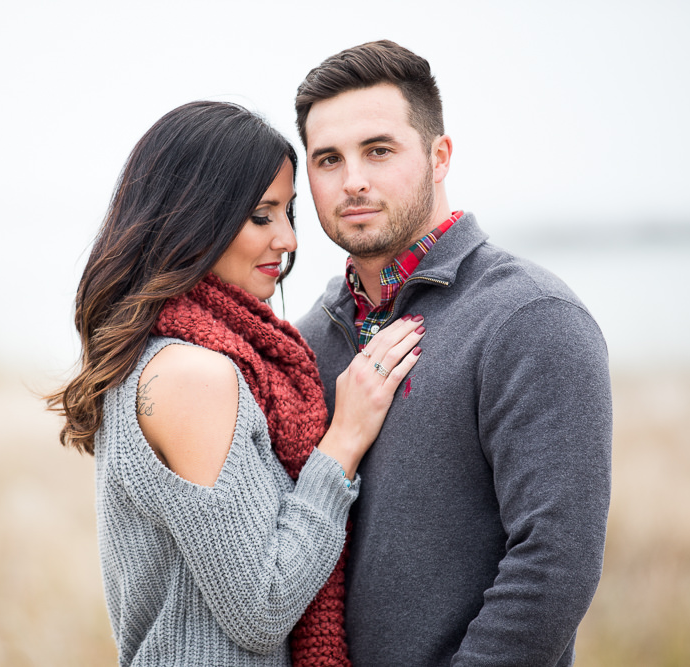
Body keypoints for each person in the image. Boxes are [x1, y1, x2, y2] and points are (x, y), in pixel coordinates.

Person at [47, 100, 426, 666]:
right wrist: (343, 440)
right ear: (193, 220)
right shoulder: (191, 375)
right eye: (261, 216)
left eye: (289, 213)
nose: (289, 240)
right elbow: (262, 608)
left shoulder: (183, 354)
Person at [293, 40, 613, 666]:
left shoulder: (530, 319)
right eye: (328, 159)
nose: (352, 179)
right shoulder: (307, 341)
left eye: (378, 150)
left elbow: (554, 563)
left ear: (440, 156)